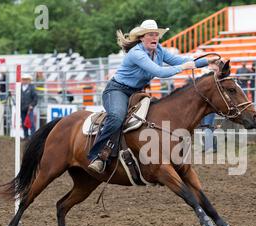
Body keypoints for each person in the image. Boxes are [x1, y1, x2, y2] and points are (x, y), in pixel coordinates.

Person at [87, 20, 218, 173]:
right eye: (151, 34)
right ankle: (98, 156)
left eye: (156, 34)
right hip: (117, 90)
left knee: (154, 117)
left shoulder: (159, 50)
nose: (155, 37)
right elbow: (160, 72)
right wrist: (184, 67)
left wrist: (207, 61)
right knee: (116, 117)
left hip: (136, 92)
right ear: (142, 37)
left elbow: (181, 60)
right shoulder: (136, 53)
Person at [20, 74, 38, 139]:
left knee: (31, 122)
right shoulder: (20, 87)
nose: (24, 81)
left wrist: (32, 105)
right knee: (23, 122)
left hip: (29, 108)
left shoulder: (32, 88)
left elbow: (35, 98)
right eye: (23, 79)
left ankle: (33, 136)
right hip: (22, 108)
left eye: (26, 79)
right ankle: (26, 135)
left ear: (29, 80)